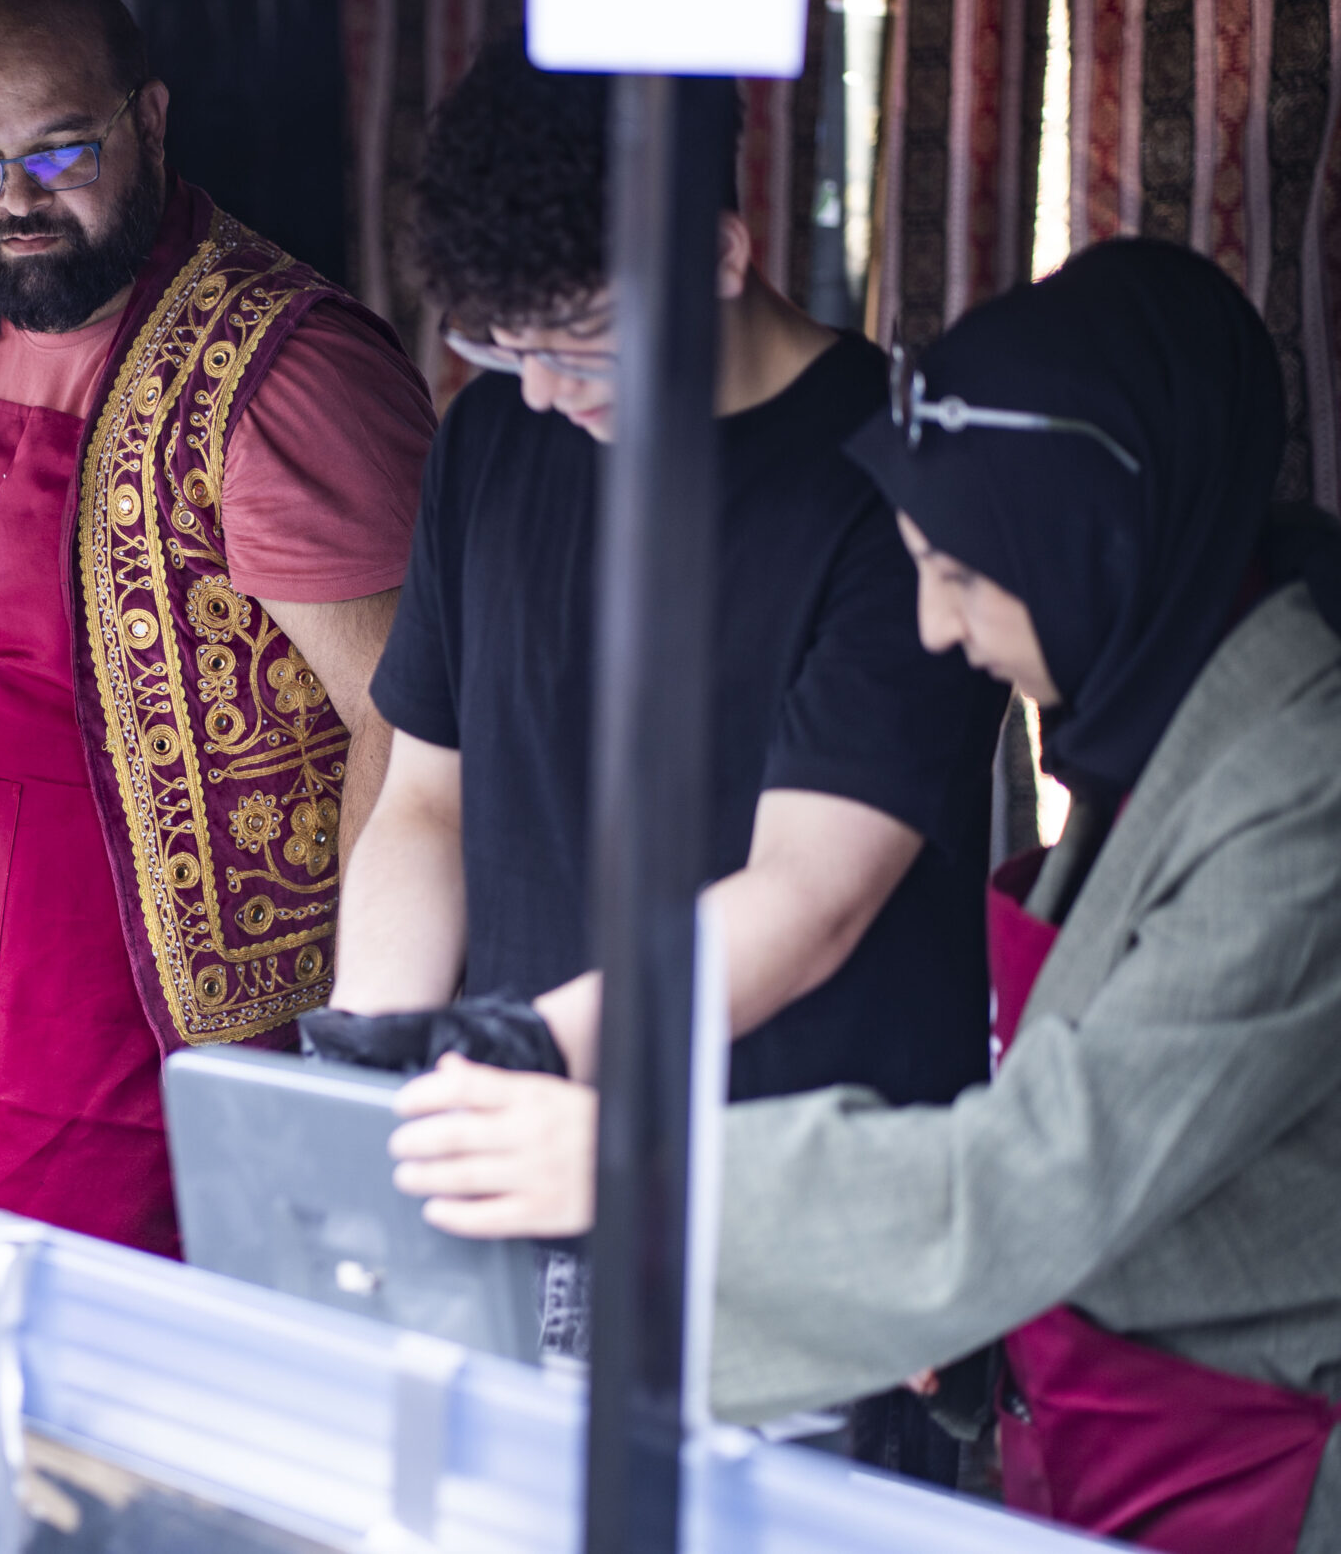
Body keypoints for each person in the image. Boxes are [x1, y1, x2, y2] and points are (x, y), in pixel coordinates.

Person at [392, 240, 1341, 1551]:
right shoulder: (1168, 714)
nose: (941, 630)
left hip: (1262, 1452)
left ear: (1095, 548)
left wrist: (626, 1170)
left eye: (960, 575)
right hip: (1097, 1420)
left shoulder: (1300, 798)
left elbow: (1044, 1167)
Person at [328, 42, 1007, 1463]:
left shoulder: (902, 483)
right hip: (520, 1188)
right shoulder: (491, 441)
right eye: (502, 342)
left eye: (580, 336)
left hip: (782, 1209)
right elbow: (428, 802)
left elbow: (808, 896)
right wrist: (373, 1064)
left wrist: (524, 1048)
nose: (541, 389)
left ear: (718, 252)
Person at [0, 0, 438, 1255]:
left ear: (150, 122)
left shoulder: (283, 374)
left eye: (61, 151)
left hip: (88, 1072)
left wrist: (351, 1052)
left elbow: (412, 725)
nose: (17, 200)